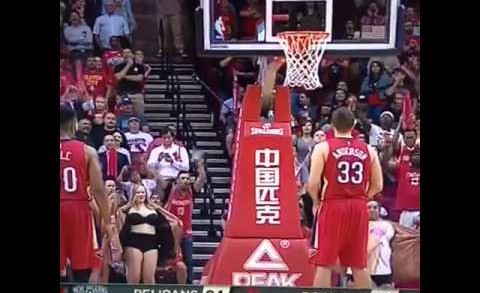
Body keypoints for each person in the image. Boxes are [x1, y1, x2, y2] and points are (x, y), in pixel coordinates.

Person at [307, 107, 383, 288]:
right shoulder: (368, 149)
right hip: (358, 206)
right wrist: (363, 197)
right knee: (358, 263)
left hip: (333, 204)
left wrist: (316, 202)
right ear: (354, 124)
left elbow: (312, 184)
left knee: (324, 262)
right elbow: (378, 185)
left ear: (332, 125)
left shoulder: (323, 147)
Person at [60, 105, 110, 283]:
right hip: (77, 208)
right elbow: (98, 190)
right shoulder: (87, 150)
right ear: (74, 123)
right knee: (82, 269)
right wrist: (108, 220)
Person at [164, 159, 207, 284]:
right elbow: (157, 179)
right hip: (171, 232)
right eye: (182, 178)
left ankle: (189, 283)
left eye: (187, 179)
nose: (185, 181)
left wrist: (200, 166)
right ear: (177, 180)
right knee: (171, 259)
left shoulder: (192, 191)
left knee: (188, 259)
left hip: (187, 233)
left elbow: (202, 179)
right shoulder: (169, 191)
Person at [119, 184, 167, 283]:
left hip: (151, 243)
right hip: (134, 242)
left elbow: (170, 219)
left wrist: (159, 209)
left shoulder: (153, 208)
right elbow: (119, 223)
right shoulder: (127, 209)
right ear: (133, 194)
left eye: (143, 192)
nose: (141, 194)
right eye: (138, 192)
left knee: (149, 279)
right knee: (134, 278)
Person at [346, 200, 395, 288]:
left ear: (379, 210)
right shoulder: (355, 224)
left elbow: (376, 240)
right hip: (356, 270)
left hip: (381, 270)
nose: (372, 210)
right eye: (369, 208)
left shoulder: (386, 225)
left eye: (375, 208)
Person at [147, 127, 190, 201]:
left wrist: (173, 162)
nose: (166, 140)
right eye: (164, 138)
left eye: (168, 137)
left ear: (173, 137)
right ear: (161, 138)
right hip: (161, 179)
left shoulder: (181, 149)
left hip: (176, 180)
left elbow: (186, 167)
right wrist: (158, 160)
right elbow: (149, 166)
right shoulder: (156, 150)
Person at [64, 11, 94, 88]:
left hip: (88, 51)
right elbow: (69, 40)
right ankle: (79, 85)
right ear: (69, 19)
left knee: (89, 65)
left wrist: (76, 42)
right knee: (77, 60)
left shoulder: (86, 28)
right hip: (75, 52)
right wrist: (82, 38)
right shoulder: (67, 29)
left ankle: (87, 86)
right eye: (72, 16)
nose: (74, 18)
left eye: (76, 16)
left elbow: (89, 40)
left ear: (79, 17)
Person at [114, 48, 146, 116]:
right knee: (120, 115)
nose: (126, 54)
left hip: (136, 94)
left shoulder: (139, 66)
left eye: (128, 52)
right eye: (124, 53)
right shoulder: (118, 67)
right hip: (122, 94)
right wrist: (128, 65)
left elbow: (139, 78)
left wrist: (125, 76)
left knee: (139, 115)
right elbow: (118, 77)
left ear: (132, 55)